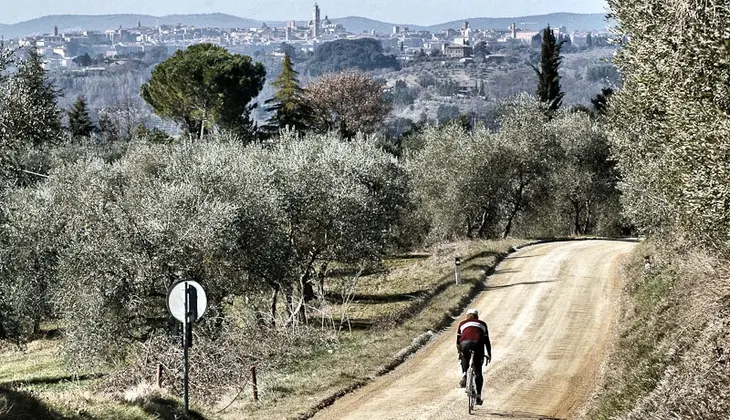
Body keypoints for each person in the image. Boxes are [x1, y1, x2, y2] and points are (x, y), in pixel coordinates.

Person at [456, 308, 491, 406]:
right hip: (477, 343)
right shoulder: (482, 324)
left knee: (464, 356)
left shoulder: (462, 324)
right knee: (478, 371)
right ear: (477, 316)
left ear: (466, 316)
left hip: (464, 344)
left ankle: (464, 374)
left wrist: (460, 353)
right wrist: (489, 353)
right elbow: (486, 341)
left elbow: (458, 342)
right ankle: (478, 397)